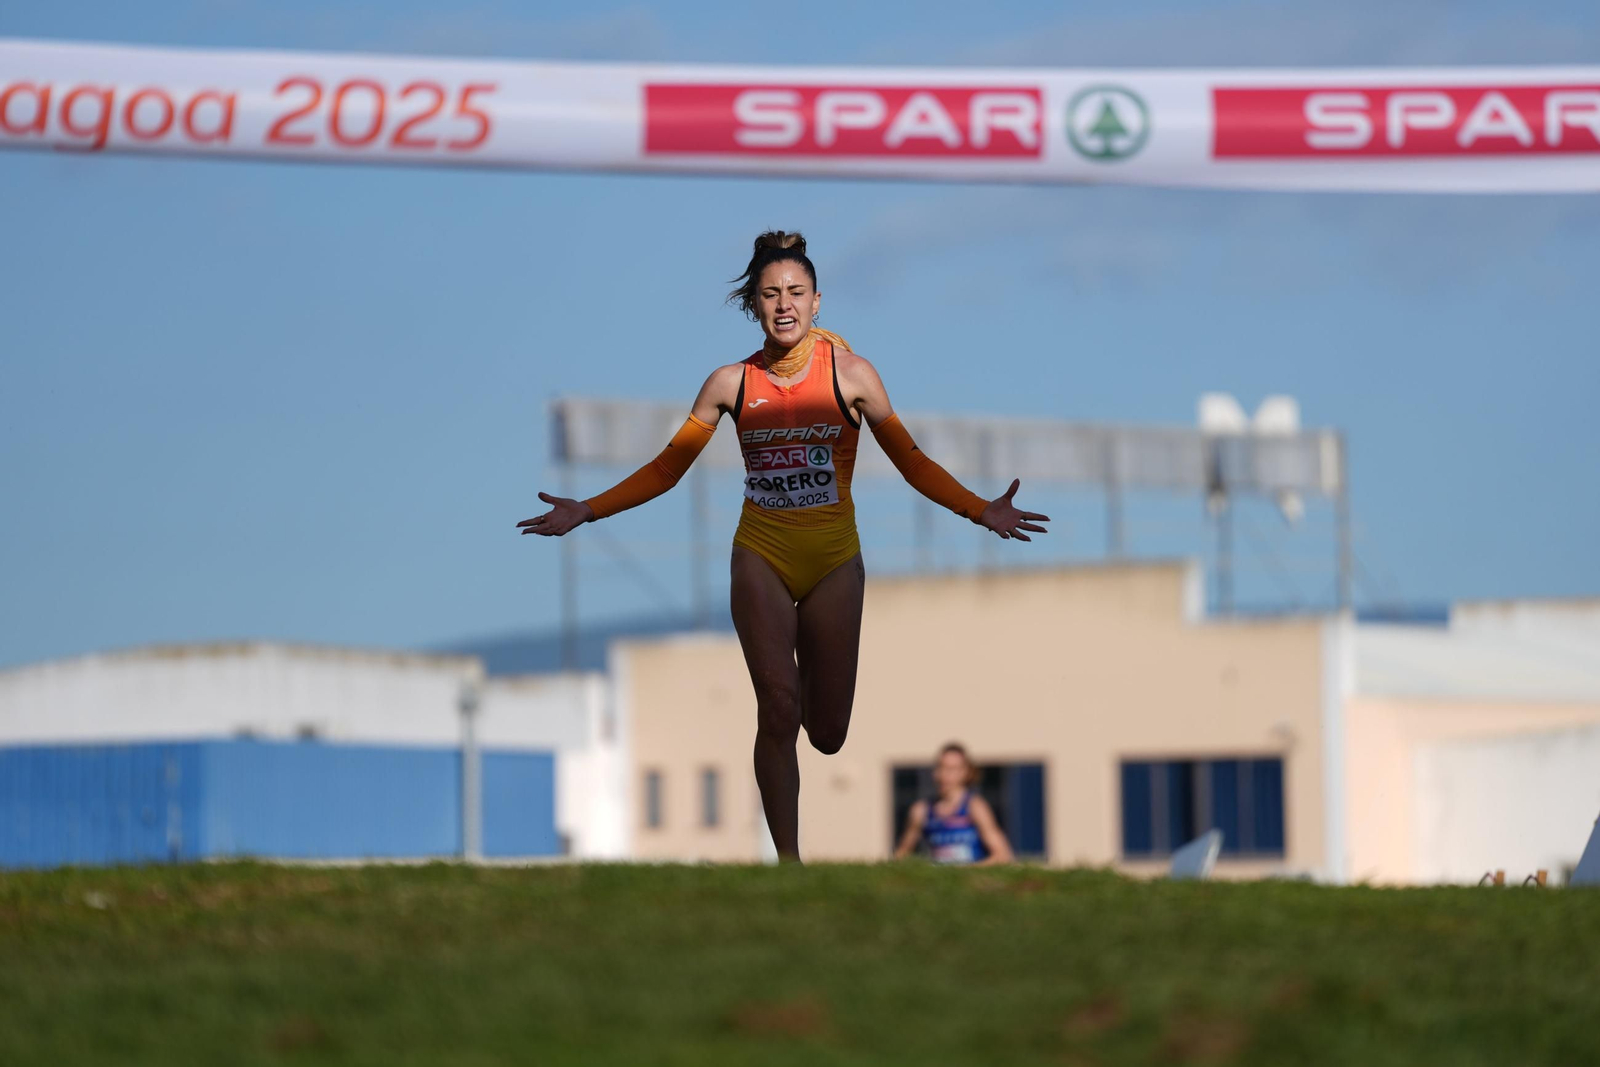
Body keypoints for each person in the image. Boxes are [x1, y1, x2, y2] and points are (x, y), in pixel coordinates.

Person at [518, 231, 1047, 862]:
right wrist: (587, 509)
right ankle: (788, 866)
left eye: (796, 292)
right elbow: (666, 469)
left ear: (817, 301)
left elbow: (911, 461)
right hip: (761, 554)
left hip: (834, 561)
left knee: (826, 734)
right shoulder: (730, 383)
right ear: (754, 305)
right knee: (777, 706)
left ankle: (807, 728)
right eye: (770, 294)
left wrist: (981, 509)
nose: (784, 304)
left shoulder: (853, 376)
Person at [893, 743, 1015, 866]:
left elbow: (1003, 855)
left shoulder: (975, 807)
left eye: (951, 769)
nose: (944, 775)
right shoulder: (921, 810)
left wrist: (968, 870)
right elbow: (901, 855)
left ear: (965, 772)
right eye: (941, 767)